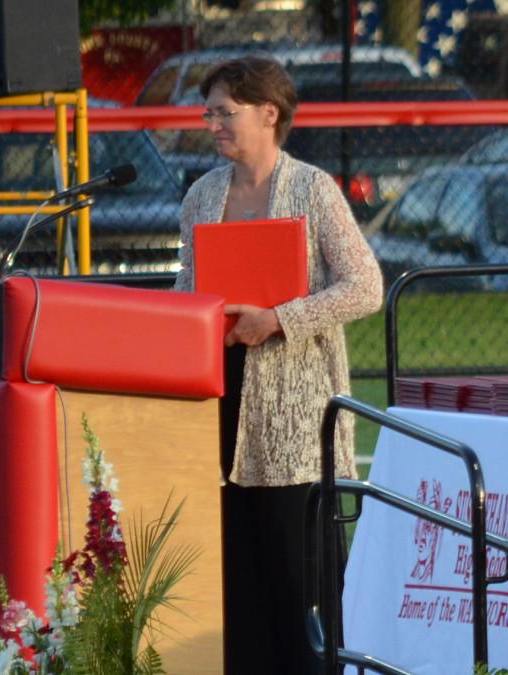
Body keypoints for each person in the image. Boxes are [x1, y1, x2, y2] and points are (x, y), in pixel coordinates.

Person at [174, 56, 383, 674]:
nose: (212, 123)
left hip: (296, 424)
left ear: (270, 113)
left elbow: (365, 287)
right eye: (208, 111)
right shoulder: (201, 194)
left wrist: (280, 319)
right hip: (220, 409)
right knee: (237, 587)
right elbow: (187, 288)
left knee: (300, 590)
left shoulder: (313, 189)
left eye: (225, 111)